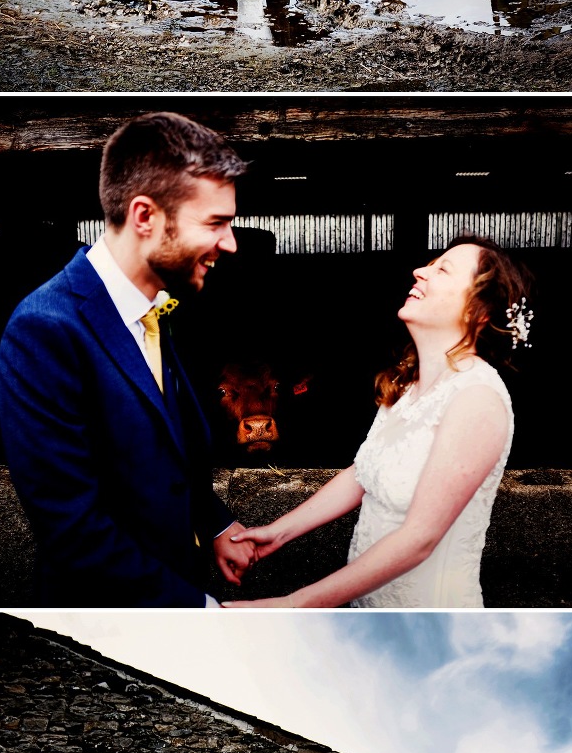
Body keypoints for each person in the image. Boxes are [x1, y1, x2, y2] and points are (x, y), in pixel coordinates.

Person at [0, 111, 256, 606]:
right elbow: (73, 531)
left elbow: (161, 452)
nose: (230, 243)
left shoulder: (155, 306)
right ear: (144, 217)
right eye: (215, 223)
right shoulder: (44, 332)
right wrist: (202, 611)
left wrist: (214, 522)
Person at [228, 235, 533, 608]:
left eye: (442, 269)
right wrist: (278, 533)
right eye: (428, 263)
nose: (420, 271)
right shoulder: (407, 386)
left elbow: (420, 538)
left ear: (479, 311)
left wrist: (293, 604)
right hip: (370, 607)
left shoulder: (476, 397)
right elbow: (363, 473)